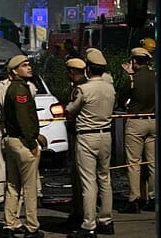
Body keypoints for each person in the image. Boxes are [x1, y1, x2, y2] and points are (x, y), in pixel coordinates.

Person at [65, 53, 116, 238]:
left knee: (88, 182)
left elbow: (70, 110)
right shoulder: (110, 88)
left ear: (87, 68)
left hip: (87, 136)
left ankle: (89, 225)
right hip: (106, 135)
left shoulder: (84, 90)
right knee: (105, 178)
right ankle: (106, 221)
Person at [1, 55, 43, 238]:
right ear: (14, 71)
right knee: (29, 187)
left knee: (12, 185)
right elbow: (23, 118)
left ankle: (9, 224)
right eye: (24, 65)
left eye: (28, 64)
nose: (29, 67)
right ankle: (32, 227)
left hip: (11, 140)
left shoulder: (13, 88)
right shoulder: (19, 90)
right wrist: (32, 140)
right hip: (22, 142)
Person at [118, 47, 156, 213]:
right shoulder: (156, 77)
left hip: (135, 122)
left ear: (134, 62)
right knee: (153, 162)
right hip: (154, 121)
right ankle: (153, 197)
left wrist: (128, 75)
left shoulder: (132, 79)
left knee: (134, 163)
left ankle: (134, 199)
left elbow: (121, 98)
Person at [61, 58, 88, 229]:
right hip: (86, 135)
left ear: (72, 72)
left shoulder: (80, 89)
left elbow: (71, 111)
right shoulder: (84, 86)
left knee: (80, 178)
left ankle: (81, 213)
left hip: (79, 135)